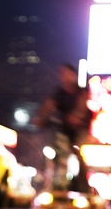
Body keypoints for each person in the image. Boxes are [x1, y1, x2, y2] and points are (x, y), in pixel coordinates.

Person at [34, 63, 93, 192]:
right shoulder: (59, 93)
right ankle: (59, 185)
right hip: (65, 130)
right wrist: (40, 118)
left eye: (67, 74)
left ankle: (85, 187)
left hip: (80, 129)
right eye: (62, 74)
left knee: (78, 153)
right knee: (60, 153)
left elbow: (81, 108)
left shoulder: (80, 92)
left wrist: (75, 116)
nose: (64, 77)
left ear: (74, 76)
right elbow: (48, 106)